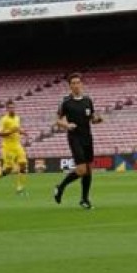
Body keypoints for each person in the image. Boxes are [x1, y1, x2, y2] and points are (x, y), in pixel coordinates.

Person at [53, 73, 102, 210]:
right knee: (81, 169)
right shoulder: (66, 102)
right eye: (73, 83)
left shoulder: (88, 100)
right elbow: (57, 120)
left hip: (87, 137)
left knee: (88, 169)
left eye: (78, 82)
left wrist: (97, 120)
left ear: (81, 84)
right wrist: (67, 125)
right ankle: (60, 187)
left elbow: (92, 118)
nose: (76, 85)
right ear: (70, 86)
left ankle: (84, 199)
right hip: (75, 138)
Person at [0, 100, 28, 194]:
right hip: (8, 148)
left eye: (13, 107)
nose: (12, 109)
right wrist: (11, 131)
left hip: (17, 145)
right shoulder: (4, 120)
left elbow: (17, 129)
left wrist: (22, 132)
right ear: (7, 109)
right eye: (10, 108)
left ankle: (19, 188)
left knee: (23, 163)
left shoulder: (17, 118)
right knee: (8, 170)